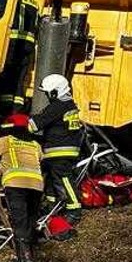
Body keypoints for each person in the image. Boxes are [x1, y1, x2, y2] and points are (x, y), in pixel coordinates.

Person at [0, 113, 44, 262]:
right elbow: (41, 160)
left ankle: (24, 259)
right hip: (36, 185)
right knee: (31, 219)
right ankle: (32, 253)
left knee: (19, 220)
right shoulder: (34, 144)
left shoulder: (3, 141)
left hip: (15, 184)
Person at [28, 74, 84, 222]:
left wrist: (18, 125)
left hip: (59, 149)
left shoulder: (57, 106)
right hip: (66, 149)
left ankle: (74, 208)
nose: (47, 95)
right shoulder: (69, 104)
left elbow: (34, 125)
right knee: (52, 180)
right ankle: (52, 206)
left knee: (64, 179)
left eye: (48, 93)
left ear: (56, 91)